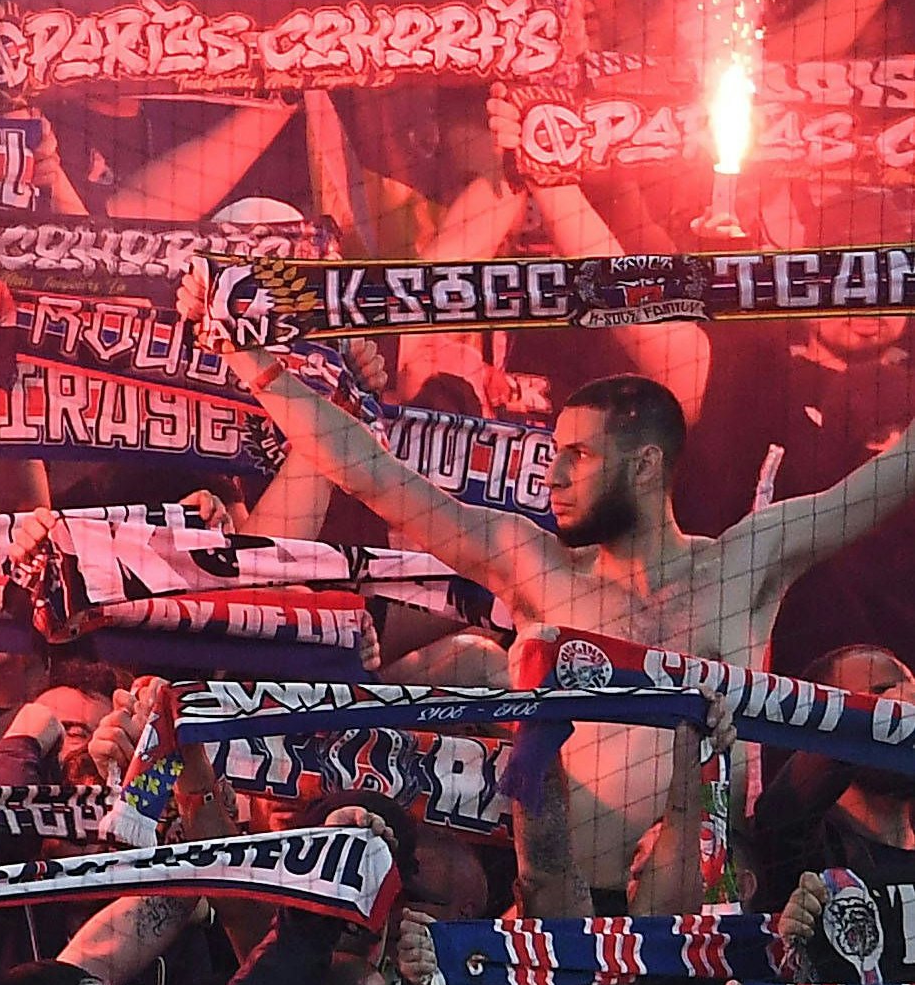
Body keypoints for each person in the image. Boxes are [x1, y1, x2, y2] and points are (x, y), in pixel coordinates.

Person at [183, 261, 915, 874]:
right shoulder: (535, 566)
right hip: (561, 923)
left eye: (579, 455)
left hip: (705, 924)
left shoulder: (745, 563)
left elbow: (884, 481)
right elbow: (371, 473)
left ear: (646, 466)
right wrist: (247, 357)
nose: (553, 475)